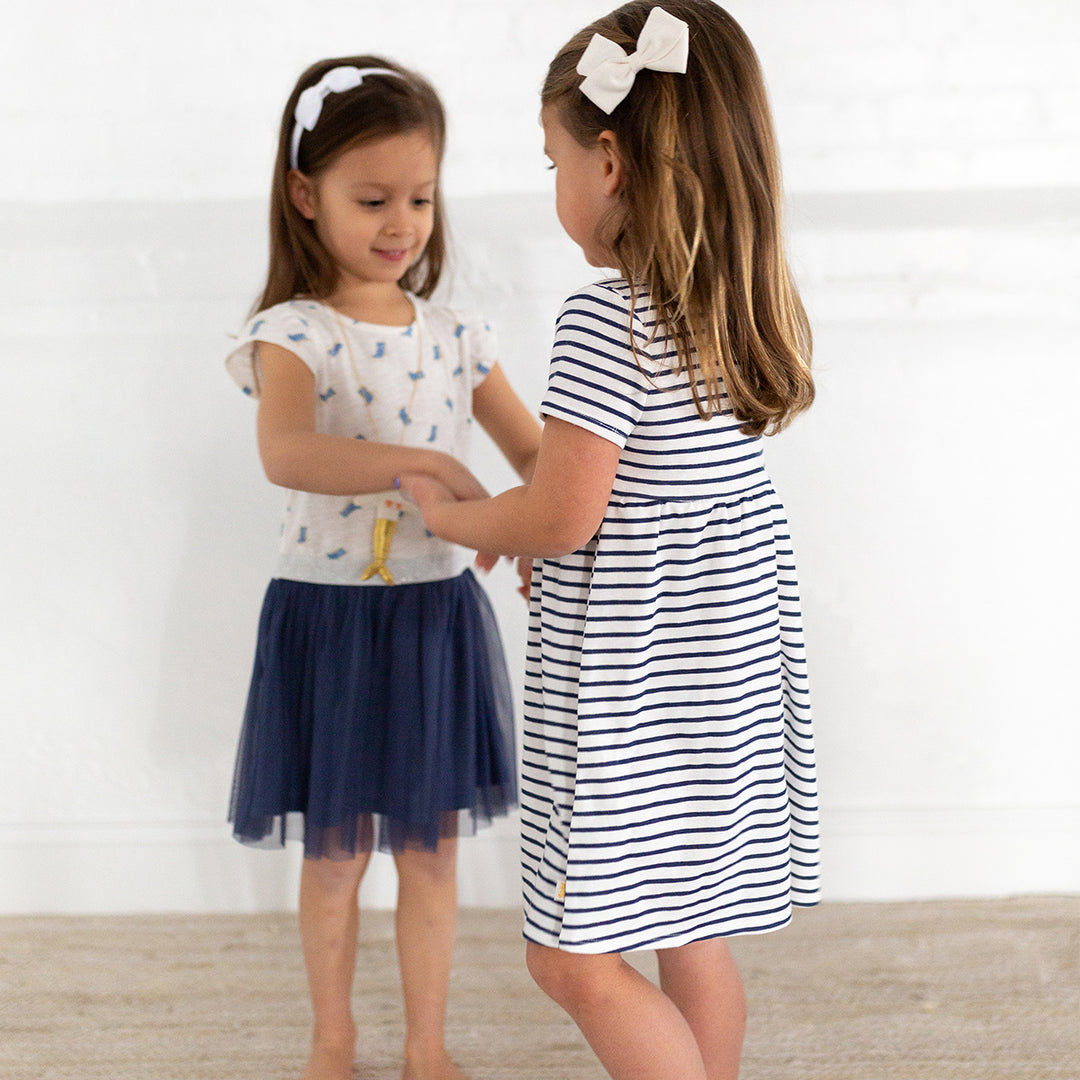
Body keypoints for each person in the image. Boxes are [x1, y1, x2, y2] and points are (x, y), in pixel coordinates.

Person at [401, 4, 820, 1078]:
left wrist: (459, 518)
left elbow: (564, 512)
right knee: (693, 926)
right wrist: (557, 523)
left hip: (637, 690)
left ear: (611, 159)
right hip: (723, 676)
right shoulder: (735, 310)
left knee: (570, 957)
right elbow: (633, 491)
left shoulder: (608, 317)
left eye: (554, 160)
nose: (555, 191)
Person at [224, 56, 541, 1080]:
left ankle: (427, 1047)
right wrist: (427, 466)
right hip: (325, 625)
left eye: (421, 197)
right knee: (334, 857)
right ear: (305, 195)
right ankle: (332, 1040)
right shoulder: (294, 334)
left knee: (432, 857)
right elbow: (288, 452)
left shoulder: (459, 336)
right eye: (373, 200)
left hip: (432, 622)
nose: (402, 222)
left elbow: (538, 459)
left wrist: (537, 528)